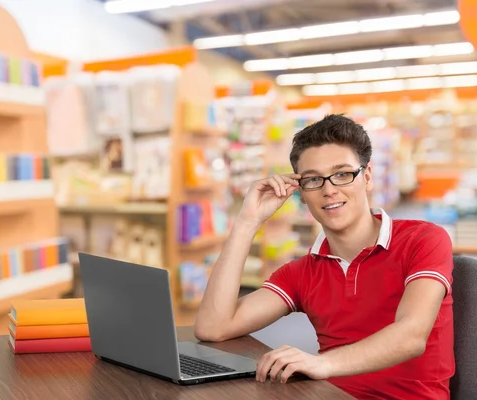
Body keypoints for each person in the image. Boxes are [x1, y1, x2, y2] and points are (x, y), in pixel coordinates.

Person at [194, 114, 454, 400]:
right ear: (302, 193)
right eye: (314, 179)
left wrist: (322, 363)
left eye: (342, 174)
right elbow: (213, 327)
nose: (329, 190)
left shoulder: (423, 240)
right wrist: (247, 222)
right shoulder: (301, 272)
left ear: (366, 177)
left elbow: (411, 335)